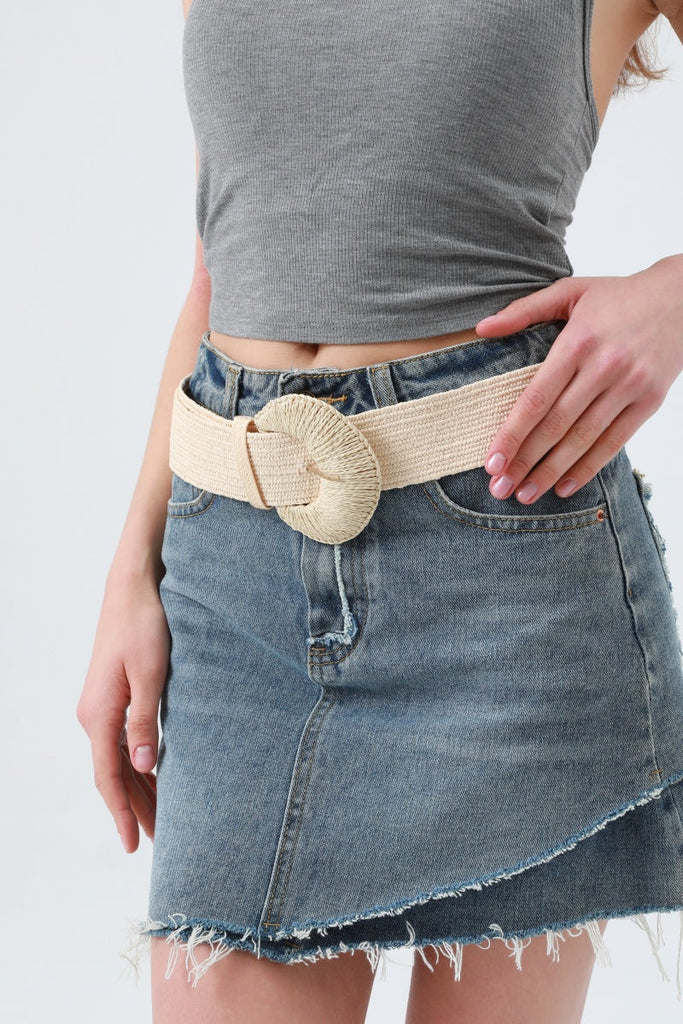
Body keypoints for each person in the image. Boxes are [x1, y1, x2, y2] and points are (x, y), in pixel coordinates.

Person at [77, 1, 683, 1021]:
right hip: (235, 586)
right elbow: (220, 265)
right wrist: (131, 570)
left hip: (505, 576)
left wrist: (673, 295)